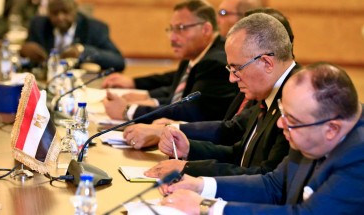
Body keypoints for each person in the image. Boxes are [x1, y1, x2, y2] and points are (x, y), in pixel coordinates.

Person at [158, 62, 364, 215]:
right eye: (282, 112)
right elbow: (273, 185)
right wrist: (200, 185)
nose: (280, 124)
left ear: (332, 129)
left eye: (290, 119)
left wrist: (207, 207)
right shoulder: (310, 127)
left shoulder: (358, 158)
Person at [145, 12, 299, 178]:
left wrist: (188, 169)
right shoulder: (268, 91)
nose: (232, 78)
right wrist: (189, 149)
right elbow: (240, 154)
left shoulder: (296, 99)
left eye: (237, 68)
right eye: (230, 69)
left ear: (266, 63)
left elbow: (267, 178)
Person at [102, 0, 238, 123]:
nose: (172, 37)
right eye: (171, 29)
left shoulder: (215, 62)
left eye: (181, 28)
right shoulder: (191, 58)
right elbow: (177, 99)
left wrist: (129, 110)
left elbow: (190, 112)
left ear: (206, 29)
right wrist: (148, 101)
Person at [19, 0, 125, 71]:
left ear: (75, 11)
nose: (60, 17)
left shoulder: (94, 28)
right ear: (48, 13)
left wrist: (82, 51)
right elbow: (27, 63)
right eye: (55, 13)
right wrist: (23, 52)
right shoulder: (38, 25)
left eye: (65, 12)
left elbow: (118, 62)